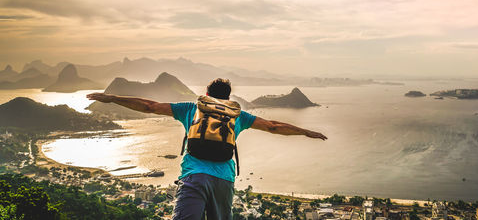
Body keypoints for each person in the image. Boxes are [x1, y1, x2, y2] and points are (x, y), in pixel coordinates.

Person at [86, 78, 327, 220]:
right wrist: (306, 132)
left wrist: (113, 98)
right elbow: (274, 127)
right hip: (223, 180)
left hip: (194, 176)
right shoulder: (237, 116)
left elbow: (150, 106)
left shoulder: (192, 108)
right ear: (228, 97)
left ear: (207, 95)